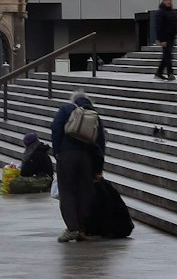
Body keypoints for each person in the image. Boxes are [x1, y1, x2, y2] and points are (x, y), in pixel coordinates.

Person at [49, 91, 107, 242]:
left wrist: (57, 151)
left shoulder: (66, 109)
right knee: (84, 192)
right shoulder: (94, 115)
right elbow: (100, 142)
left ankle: (72, 228)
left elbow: (56, 129)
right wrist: (98, 168)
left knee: (67, 191)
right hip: (87, 157)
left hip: (67, 154)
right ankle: (82, 228)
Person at [150, 0, 177, 81]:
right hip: (165, 38)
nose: (168, 1)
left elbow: (174, 23)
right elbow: (158, 27)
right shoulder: (161, 12)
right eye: (166, 0)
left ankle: (159, 72)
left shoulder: (172, 12)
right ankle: (170, 73)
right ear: (163, 1)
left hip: (171, 37)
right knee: (168, 56)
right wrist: (162, 40)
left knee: (166, 56)